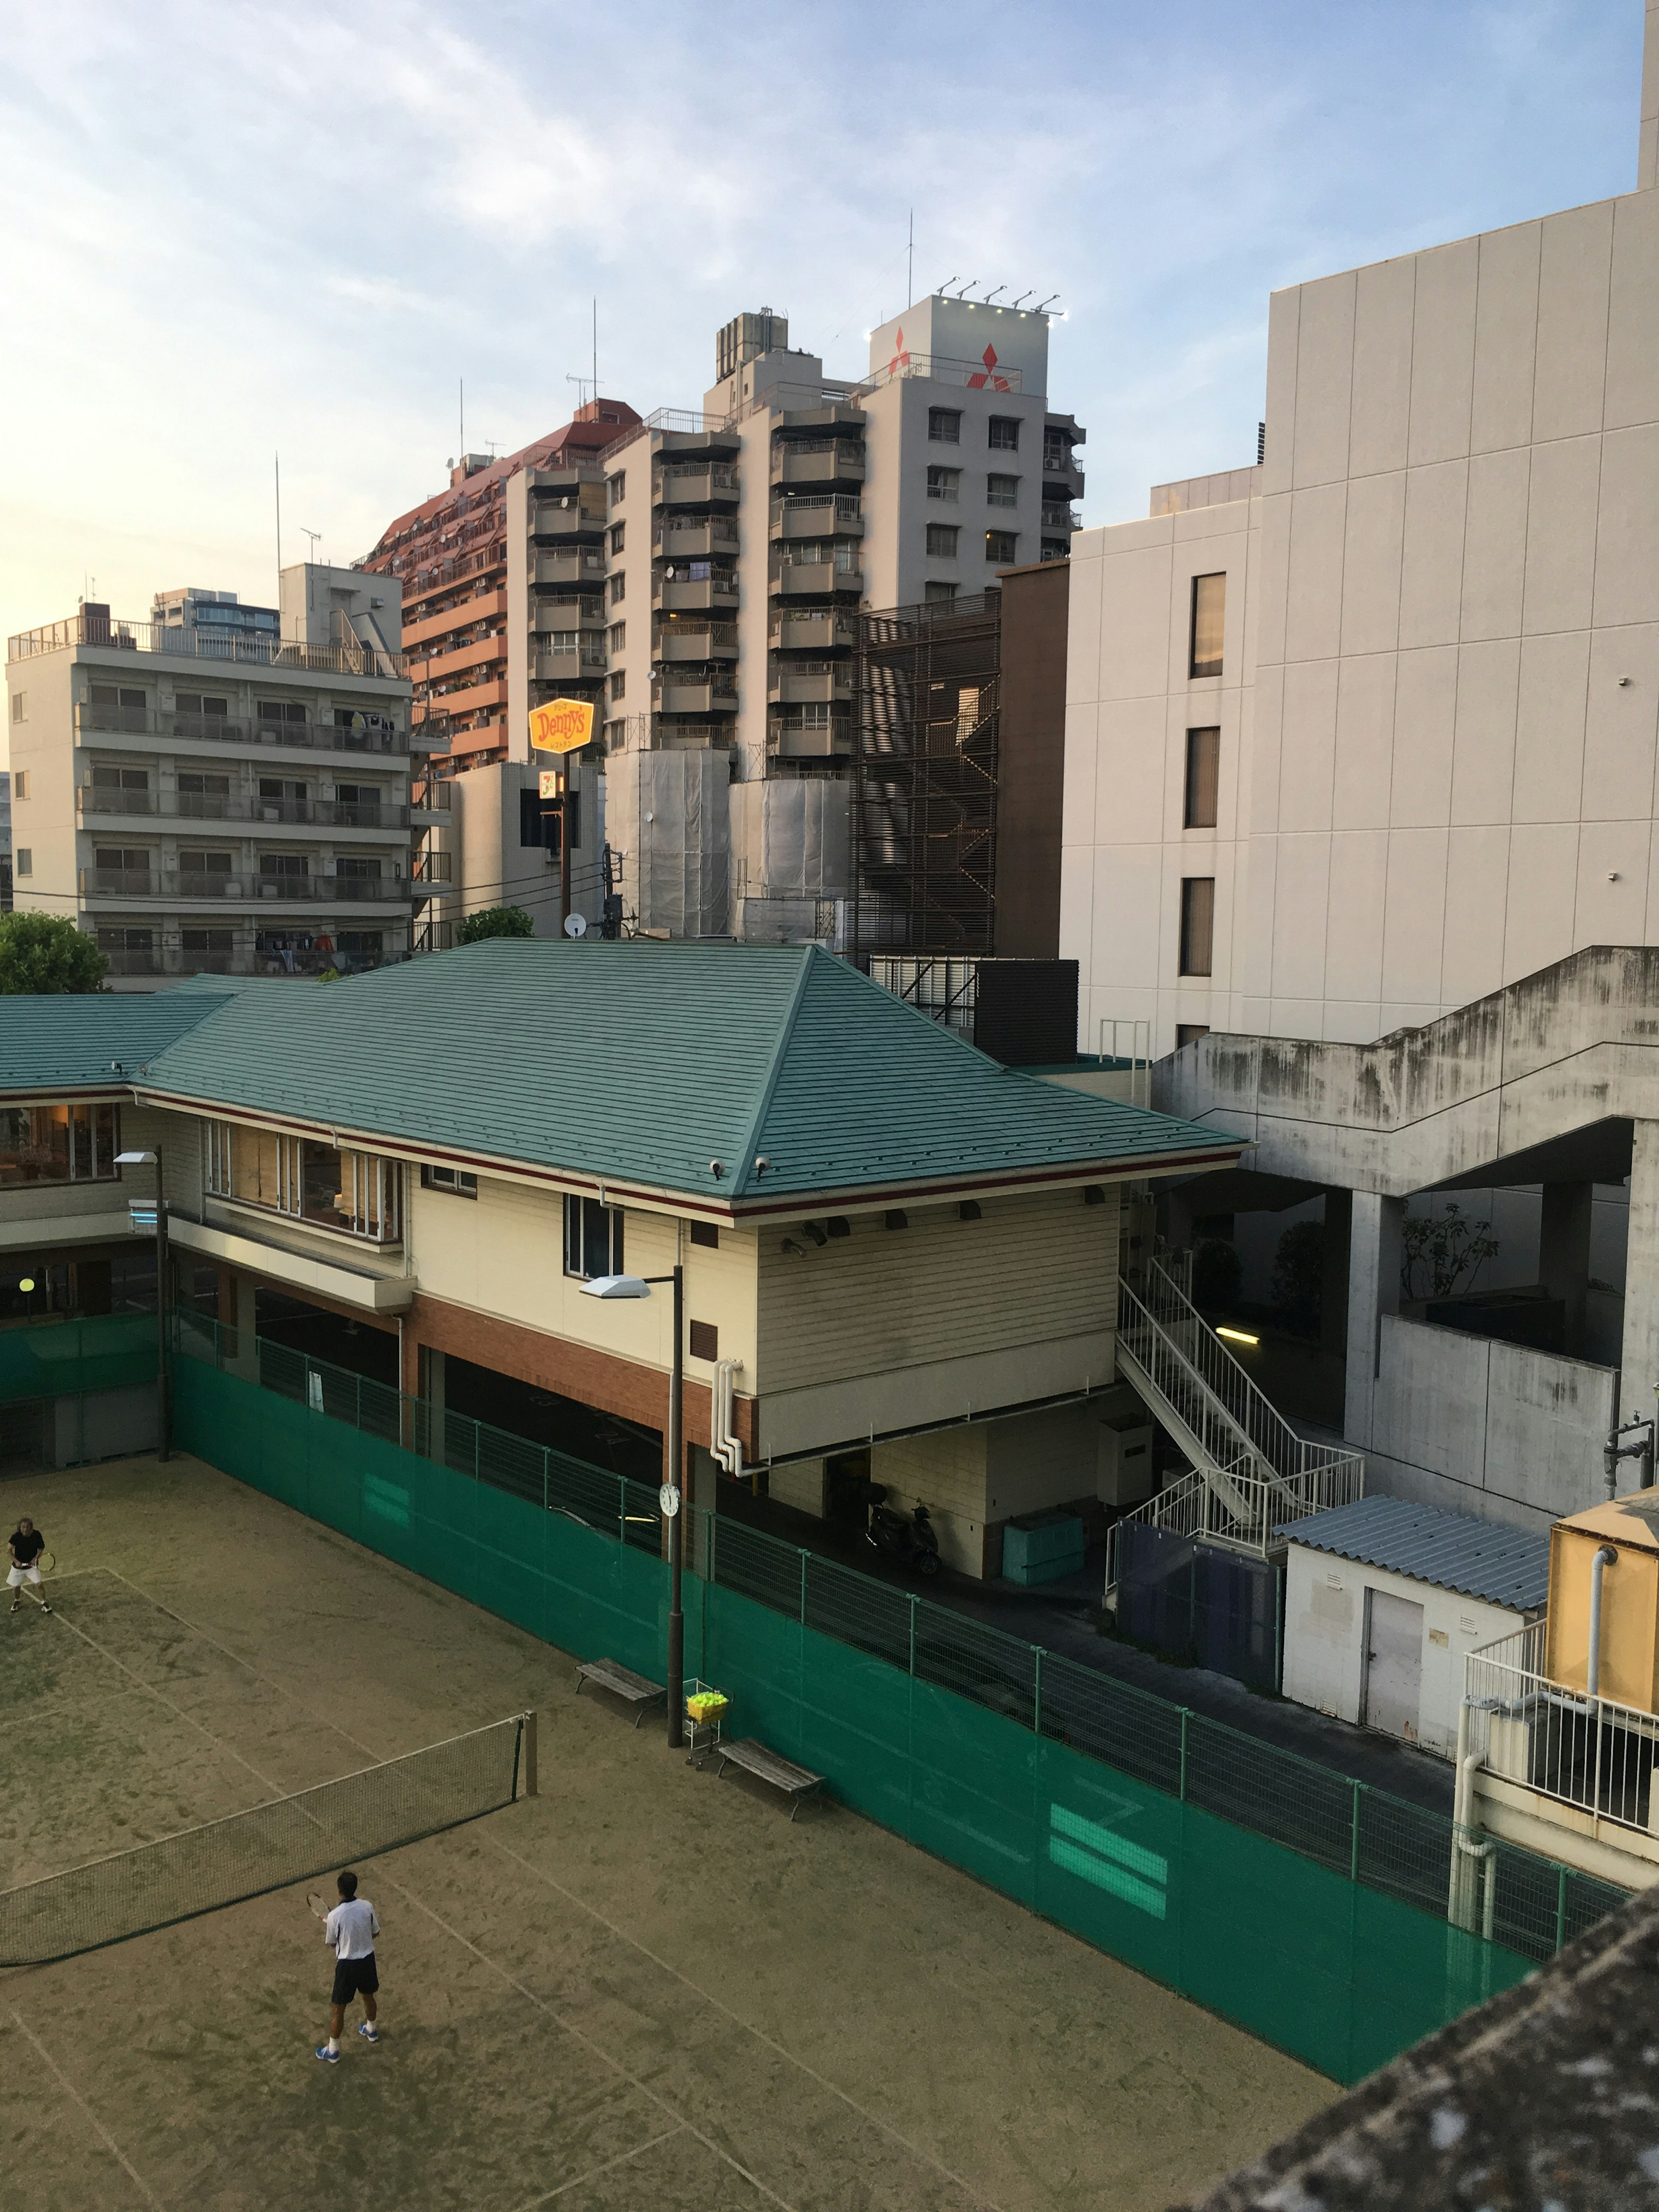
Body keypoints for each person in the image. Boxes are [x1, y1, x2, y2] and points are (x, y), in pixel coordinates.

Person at [316, 1869, 381, 2063]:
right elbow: (375, 1933)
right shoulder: (367, 1907)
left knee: (339, 2009)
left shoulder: (335, 1916)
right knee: (368, 1997)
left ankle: (333, 2051)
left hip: (347, 1966)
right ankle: (372, 2030)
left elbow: (332, 1943)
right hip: (368, 1960)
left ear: (339, 1891)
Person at [7, 1518, 49, 1615]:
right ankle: (17, 1601)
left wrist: (36, 1558)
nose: (25, 1529)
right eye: (23, 1527)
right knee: (16, 1586)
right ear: (20, 1528)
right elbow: (9, 1549)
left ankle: (45, 1603)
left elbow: (41, 1547)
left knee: (39, 1584)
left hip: (31, 1567)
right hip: (18, 1567)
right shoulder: (16, 1537)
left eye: (27, 1527)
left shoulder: (36, 1535)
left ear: (31, 1527)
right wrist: (16, 1561)